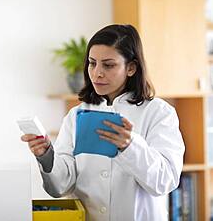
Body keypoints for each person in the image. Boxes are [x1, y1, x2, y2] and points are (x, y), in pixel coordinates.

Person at [21, 24, 185, 220]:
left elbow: (165, 181)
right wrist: (46, 156)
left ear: (131, 68)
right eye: (92, 63)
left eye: (108, 65)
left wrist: (130, 146)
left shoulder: (158, 113)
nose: (97, 73)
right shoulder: (76, 115)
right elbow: (60, 187)